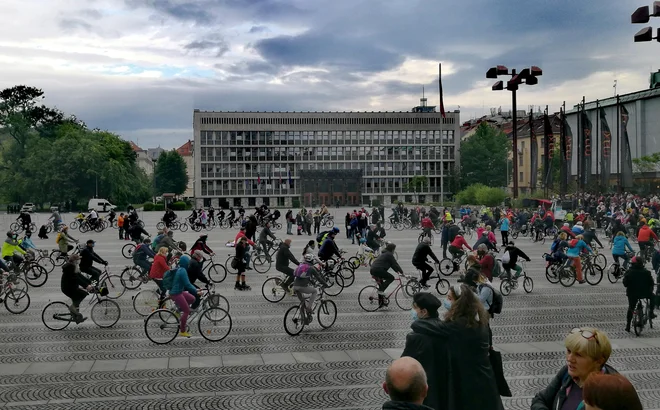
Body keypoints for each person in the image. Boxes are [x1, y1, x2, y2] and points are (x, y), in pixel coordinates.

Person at [402, 289, 503, 410]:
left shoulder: (460, 324)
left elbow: (439, 328)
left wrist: (417, 324)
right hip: (483, 379)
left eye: (450, 298)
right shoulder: (477, 321)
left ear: (460, 303)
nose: (446, 301)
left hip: (472, 383)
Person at [531, 327, 616, 410]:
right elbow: (539, 400)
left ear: (598, 361)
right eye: (569, 351)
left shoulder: (611, 392)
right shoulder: (567, 374)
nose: (569, 359)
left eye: (578, 355)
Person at [292, 254, 329, 325]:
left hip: (295, 286)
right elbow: (318, 277)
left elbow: (304, 277)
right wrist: (325, 284)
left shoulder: (300, 266)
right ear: (312, 261)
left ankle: (304, 320)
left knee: (302, 302)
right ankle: (309, 308)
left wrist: (312, 282)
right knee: (315, 291)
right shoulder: (311, 268)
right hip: (301, 287)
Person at [167, 255, 199, 338]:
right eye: (188, 263)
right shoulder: (183, 271)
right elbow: (187, 284)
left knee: (192, 298)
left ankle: (177, 312)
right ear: (185, 263)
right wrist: (196, 291)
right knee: (186, 311)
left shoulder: (180, 268)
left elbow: (188, 284)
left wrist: (196, 290)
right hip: (176, 294)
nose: (189, 265)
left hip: (179, 292)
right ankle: (183, 331)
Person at [623, 256, 656, 332]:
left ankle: (628, 325)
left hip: (632, 294)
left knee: (631, 308)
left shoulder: (629, 272)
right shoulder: (647, 272)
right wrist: (651, 290)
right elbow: (651, 283)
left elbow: (625, 283)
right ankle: (651, 312)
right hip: (645, 293)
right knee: (653, 297)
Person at [60, 254, 92, 324]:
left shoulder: (73, 266)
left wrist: (90, 282)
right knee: (83, 294)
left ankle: (76, 317)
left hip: (71, 286)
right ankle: (72, 308)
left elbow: (80, 276)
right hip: (68, 288)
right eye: (78, 259)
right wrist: (86, 286)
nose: (79, 260)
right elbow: (77, 279)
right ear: (75, 261)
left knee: (77, 297)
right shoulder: (70, 267)